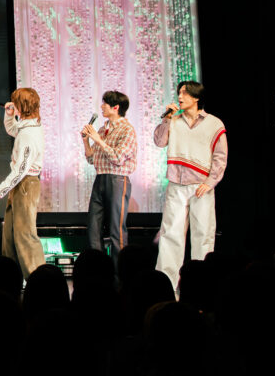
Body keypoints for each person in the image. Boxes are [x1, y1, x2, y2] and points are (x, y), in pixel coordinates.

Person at [153, 81, 227, 291]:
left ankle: (200, 286)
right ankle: (167, 285)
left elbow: (220, 157)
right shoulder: (174, 121)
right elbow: (159, 141)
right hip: (176, 184)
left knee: (203, 235)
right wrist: (167, 119)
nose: (180, 96)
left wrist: (210, 182)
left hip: (201, 186)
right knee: (170, 234)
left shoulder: (214, 124)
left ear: (196, 98)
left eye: (185, 93)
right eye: (179, 92)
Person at [0, 87, 45, 277]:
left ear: (22, 106)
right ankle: (10, 279)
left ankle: (39, 280)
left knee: (25, 235)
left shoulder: (29, 134)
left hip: (26, 183)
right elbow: (13, 129)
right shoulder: (28, 125)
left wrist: (0, 189)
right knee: (10, 235)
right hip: (20, 183)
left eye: (16, 103)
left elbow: (21, 169)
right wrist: (10, 114)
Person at [81, 90, 138, 266]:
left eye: (105, 103)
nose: (102, 107)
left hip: (117, 180)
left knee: (116, 229)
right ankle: (98, 271)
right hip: (100, 178)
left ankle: (120, 273)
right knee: (94, 227)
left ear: (116, 107)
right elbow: (92, 159)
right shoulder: (103, 129)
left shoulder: (127, 130)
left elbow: (118, 158)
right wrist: (86, 141)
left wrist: (98, 140)